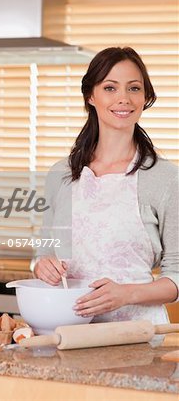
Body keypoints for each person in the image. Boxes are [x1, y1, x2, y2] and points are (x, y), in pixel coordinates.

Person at [32, 46, 178, 324]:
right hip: (69, 329)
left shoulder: (166, 178)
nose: (123, 98)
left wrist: (126, 294)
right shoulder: (60, 175)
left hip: (138, 337)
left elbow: (177, 277)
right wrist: (43, 265)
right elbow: (46, 251)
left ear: (146, 97)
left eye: (134, 88)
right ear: (91, 96)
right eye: (110, 88)